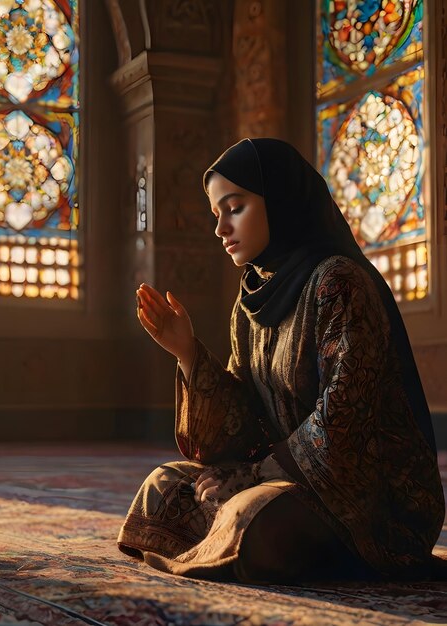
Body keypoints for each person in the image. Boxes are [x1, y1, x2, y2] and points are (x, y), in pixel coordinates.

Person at [117, 138, 445, 583]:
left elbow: (343, 418)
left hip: (365, 495)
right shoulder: (251, 299)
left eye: (234, 208)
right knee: (164, 488)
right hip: (278, 478)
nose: (221, 229)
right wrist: (188, 352)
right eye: (217, 213)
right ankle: (230, 542)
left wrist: (252, 477)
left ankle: (241, 541)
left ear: (281, 200)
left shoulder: (338, 282)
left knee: (253, 516)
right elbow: (243, 421)